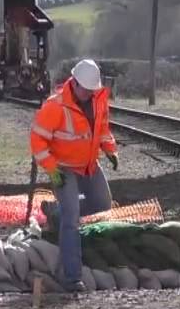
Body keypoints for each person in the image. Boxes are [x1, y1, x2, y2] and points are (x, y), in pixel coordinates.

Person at [29, 59, 119, 292]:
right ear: (75, 83)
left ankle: (54, 211)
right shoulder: (55, 106)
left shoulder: (98, 100)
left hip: (88, 164)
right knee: (72, 220)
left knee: (102, 203)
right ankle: (71, 277)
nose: (90, 94)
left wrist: (109, 149)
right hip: (63, 168)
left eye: (93, 90)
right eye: (86, 90)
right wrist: (51, 167)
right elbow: (37, 140)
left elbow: (103, 128)